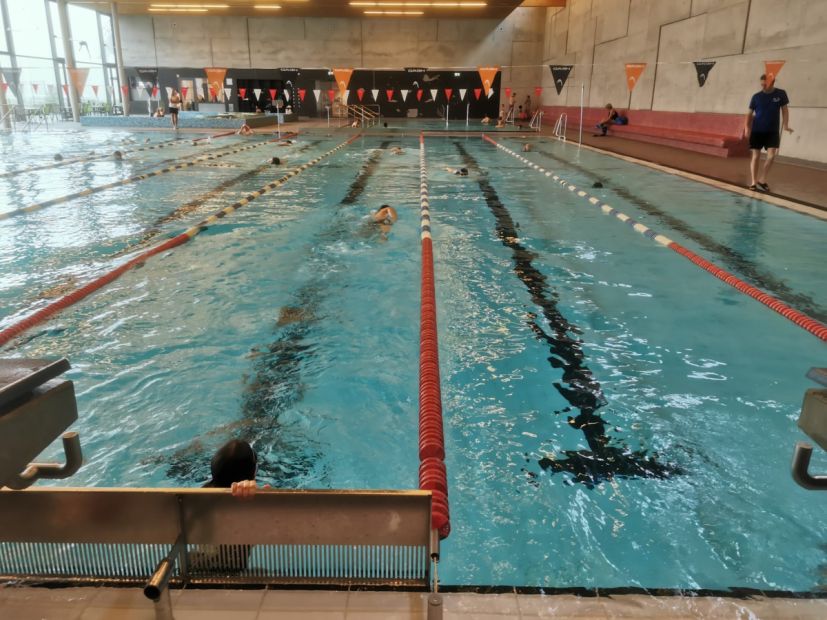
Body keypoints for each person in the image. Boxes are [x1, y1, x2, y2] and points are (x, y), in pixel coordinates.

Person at [744, 74, 792, 192]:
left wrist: (785, 125)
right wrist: (746, 127)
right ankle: (754, 182)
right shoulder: (756, 97)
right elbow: (749, 114)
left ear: (773, 82)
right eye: (761, 84)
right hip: (757, 130)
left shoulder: (781, 94)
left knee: (771, 156)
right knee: (755, 157)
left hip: (772, 131)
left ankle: (763, 179)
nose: (763, 86)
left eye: (765, 84)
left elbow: (785, 111)